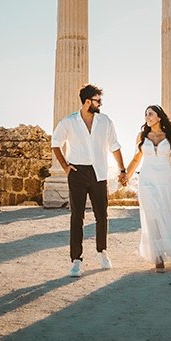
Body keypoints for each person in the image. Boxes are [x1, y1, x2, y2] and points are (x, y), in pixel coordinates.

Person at [51, 83, 127, 278]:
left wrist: (122, 169)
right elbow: (56, 143)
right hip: (77, 172)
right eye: (97, 100)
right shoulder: (69, 121)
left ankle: (103, 252)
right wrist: (66, 167)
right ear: (87, 102)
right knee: (77, 217)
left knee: (102, 215)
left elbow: (115, 147)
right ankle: (76, 261)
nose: (100, 104)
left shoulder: (105, 121)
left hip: (99, 172)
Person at [122, 104, 171, 272]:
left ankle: (169, 249)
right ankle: (158, 257)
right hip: (146, 180)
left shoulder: (170, 135)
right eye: (145, 114)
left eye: (150, 114)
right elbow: (136, 159)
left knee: (165, 214)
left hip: (166, 181)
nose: (147, 117)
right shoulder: (142, 136)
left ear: (159, 117)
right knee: (152, 216)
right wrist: (126, 175)